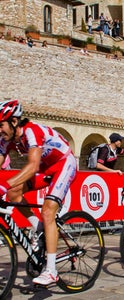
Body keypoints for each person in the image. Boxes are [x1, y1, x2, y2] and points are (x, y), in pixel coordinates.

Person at [0, 100, 77, 285]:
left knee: (48, 210)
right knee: (14, 195)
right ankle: (39, 229)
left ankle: (51, 270)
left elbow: (33, 166)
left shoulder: (31, 131)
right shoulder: (6, 140)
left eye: (1, 125)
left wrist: (4, 185)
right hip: (46, 168)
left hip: (64, 163)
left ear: (14, 122)